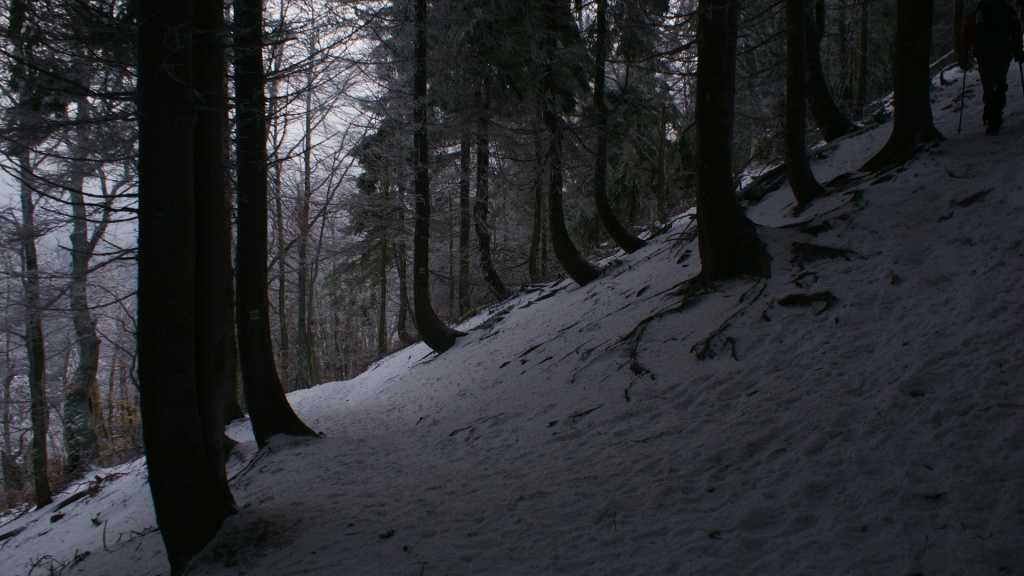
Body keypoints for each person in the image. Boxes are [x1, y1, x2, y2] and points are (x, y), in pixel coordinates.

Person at [962, 0, 1024, 135]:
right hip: (1003, 52)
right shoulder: (1007, 10)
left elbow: (968, 31)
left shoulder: (978, 13)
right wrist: (1019, 49)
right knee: (1000, 82)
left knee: (988, 85)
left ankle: (991, 117)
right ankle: (996, 112)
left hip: (984, 55)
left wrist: (966, 46)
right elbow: (1016, 30)